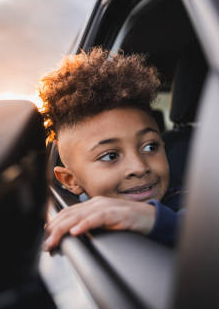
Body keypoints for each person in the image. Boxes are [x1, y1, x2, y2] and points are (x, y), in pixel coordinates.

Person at [38, 47, 182, 251]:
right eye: (110, 156)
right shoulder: (79, 215)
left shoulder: (187, 202)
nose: (139, 167)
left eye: (150, 146)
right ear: (71, 181)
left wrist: (151, 218)